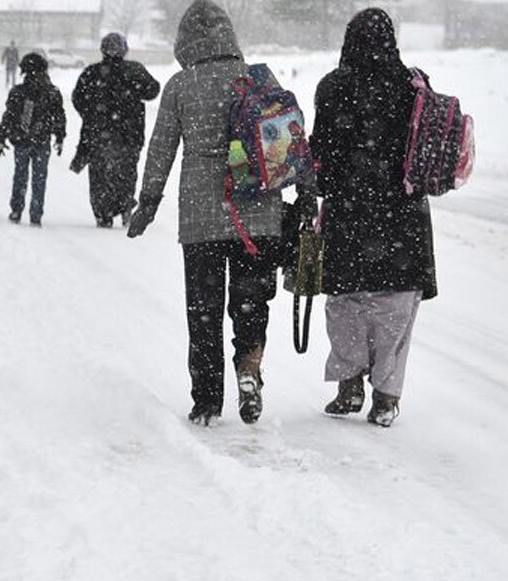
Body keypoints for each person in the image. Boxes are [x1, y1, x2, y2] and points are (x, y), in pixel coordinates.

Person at [127, 0, 285, 426]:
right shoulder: (257, 78)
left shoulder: (181, 85)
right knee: (251, 302)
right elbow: (286, 140)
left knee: (204, 309)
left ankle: (207, 400)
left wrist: (148, 201)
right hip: (258, 212)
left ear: (185, 41)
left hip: (202, 217)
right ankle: (249, 368)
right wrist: (303, 195)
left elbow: (161, 149)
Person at [310, 8, 437, 428]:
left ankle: (348, 385)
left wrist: (322, 186)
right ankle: (386, 396)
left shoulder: (332, 88)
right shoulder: (414, 86)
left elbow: (320, 154)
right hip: (402, 216)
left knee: (346, 300)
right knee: (397, 306)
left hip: (350, 210)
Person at [71, 32, 161, 228]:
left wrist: (91, 114)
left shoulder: (92, 73)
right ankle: (125, 204)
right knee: (127, 172)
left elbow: (77, 98)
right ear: (124, 50)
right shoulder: (134, 70)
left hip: (98, 134)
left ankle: (103, 213)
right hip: (130, 134)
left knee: (99, 175)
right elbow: (153, 90)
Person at [0, 52, 66, 227]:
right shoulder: (52, 92)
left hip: (21, 140)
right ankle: (36, 213)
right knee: (39, 178)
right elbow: (59, 116)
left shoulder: (18, 92)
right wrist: (59, 136)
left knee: (20, 175)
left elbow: (9, 116)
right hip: (42, 141)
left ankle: (16, 210)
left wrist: (2, 136)